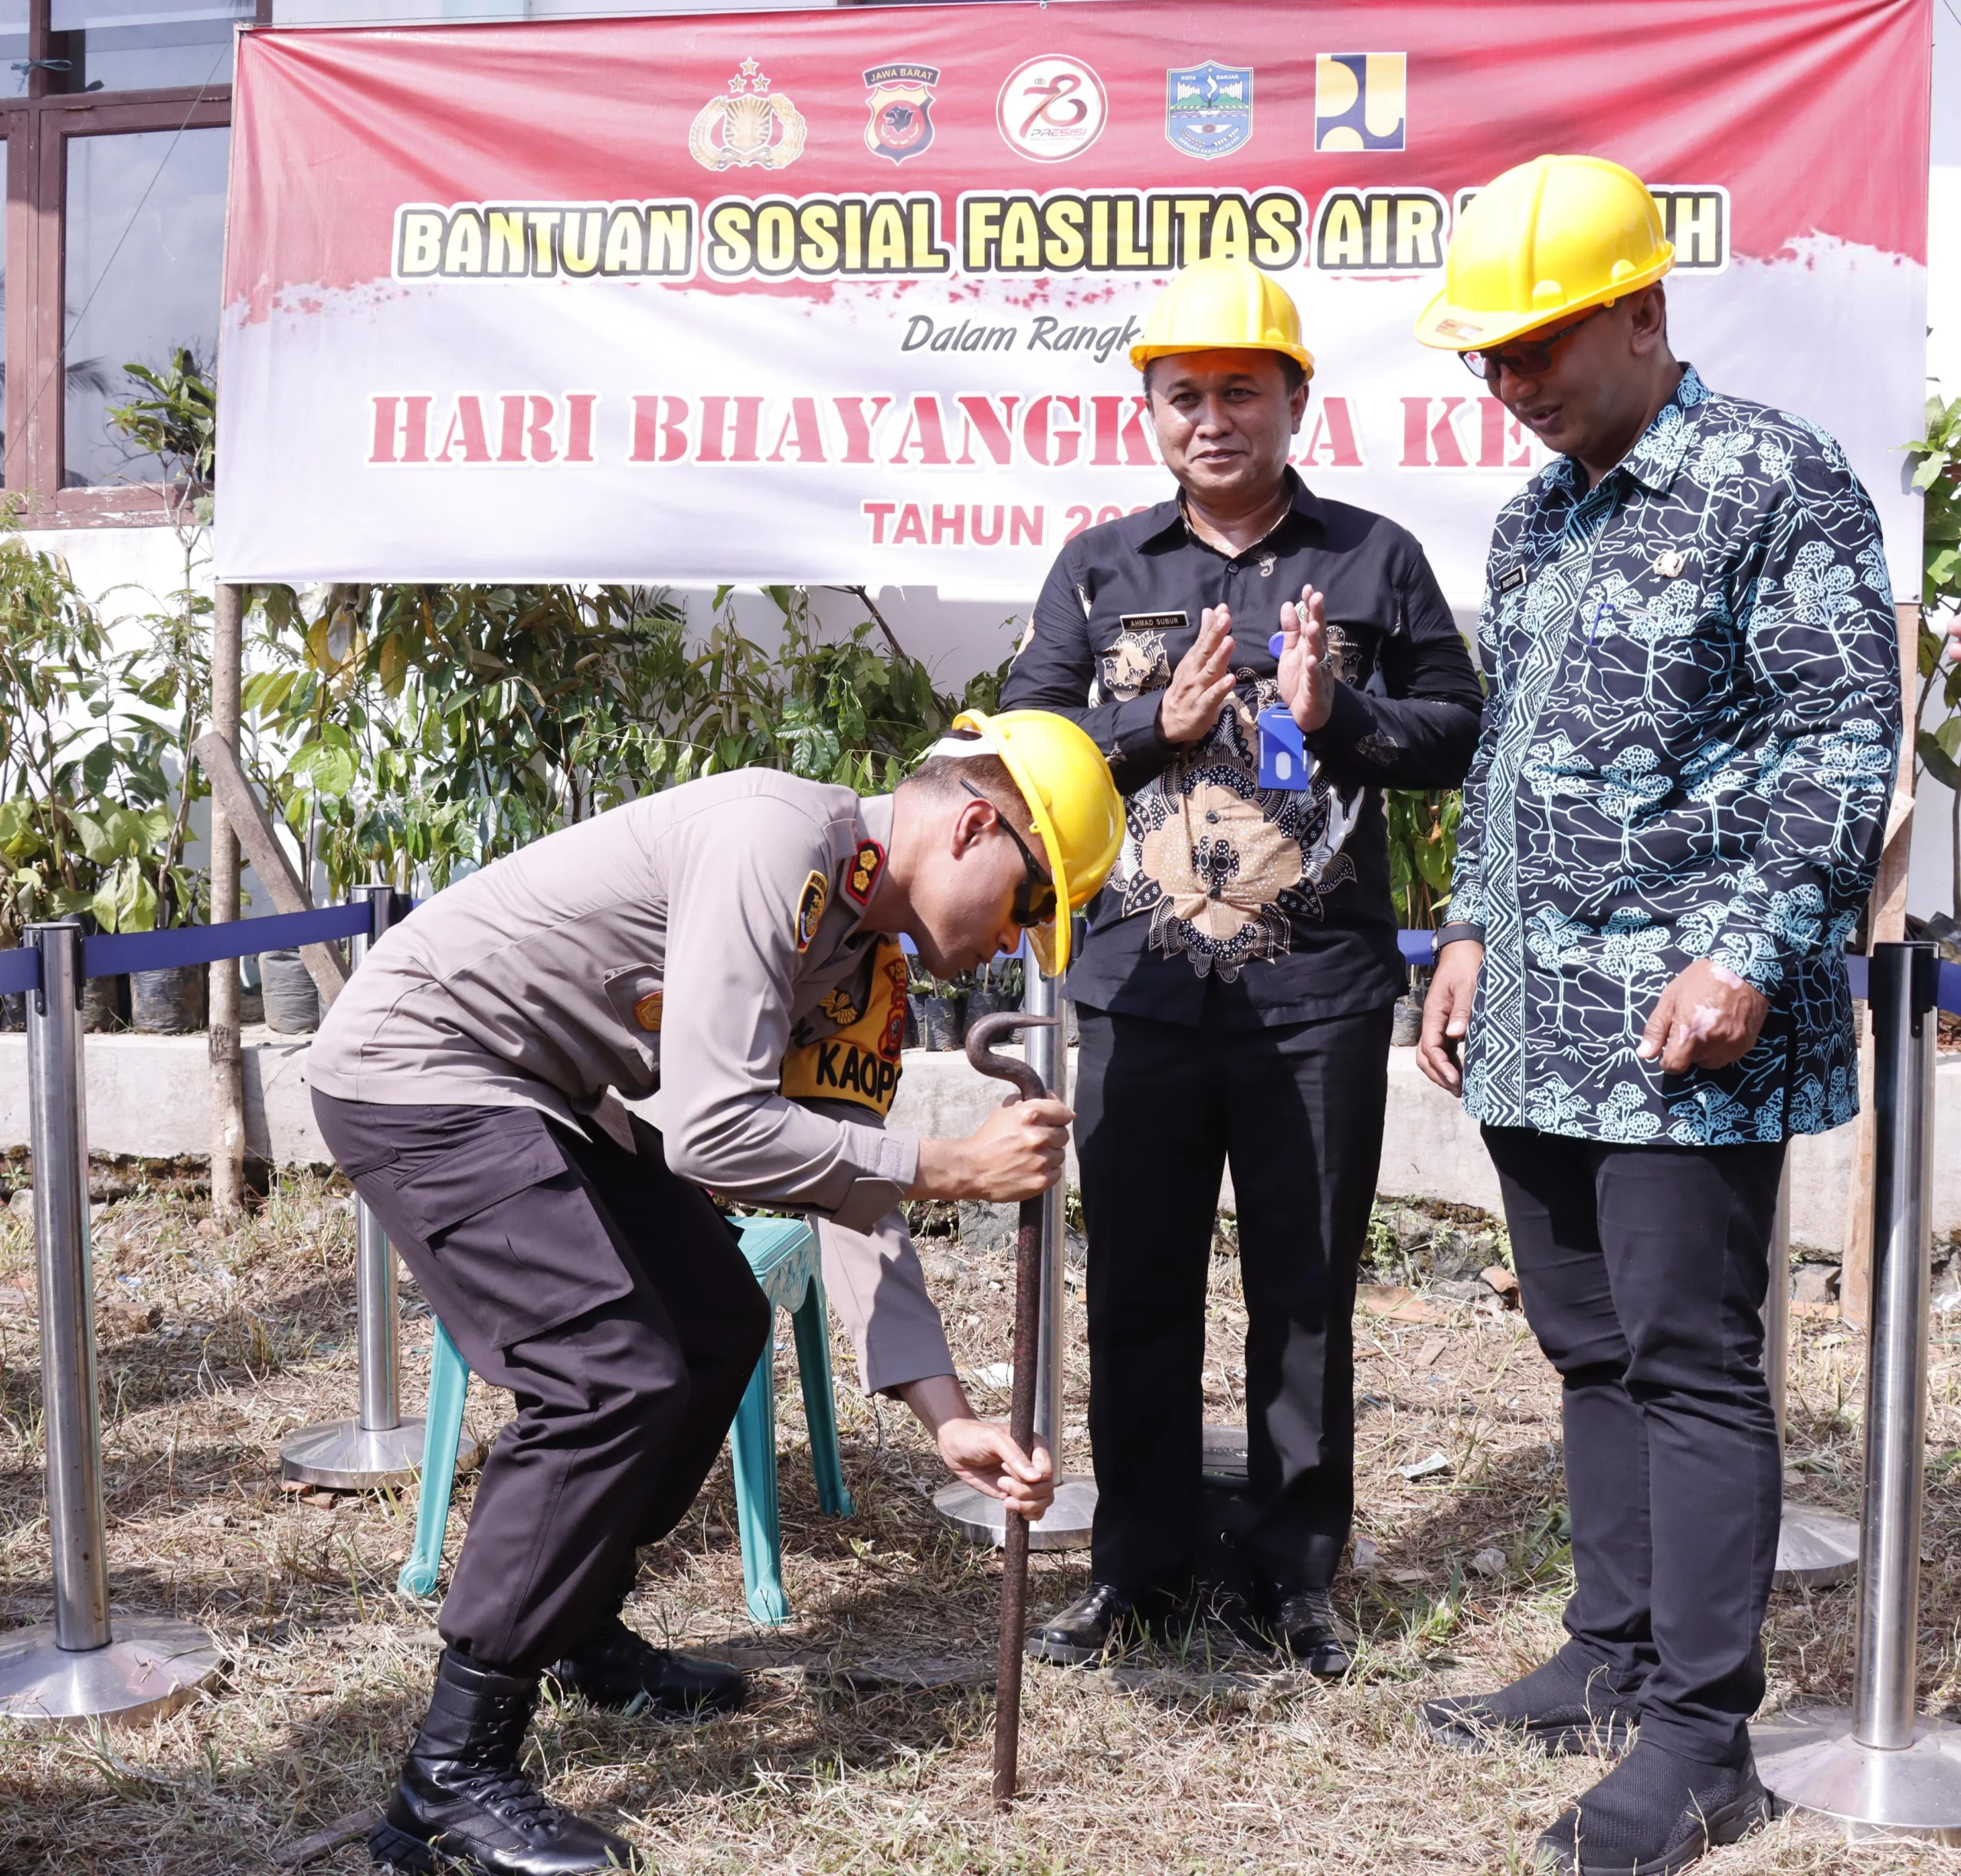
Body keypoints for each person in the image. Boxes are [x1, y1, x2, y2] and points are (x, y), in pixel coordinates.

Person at [307, 709, 1122, 1876]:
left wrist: (949, 1416)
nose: (1017, 941)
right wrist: (950, 1163)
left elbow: (850, 1187)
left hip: (541, 1091)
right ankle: (449, 1779)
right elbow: (713, 1133)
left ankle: (578, 1623)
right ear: (978, 823)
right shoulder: (774, 840)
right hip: (424, 1071)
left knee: (716, 1321)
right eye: (1030, 903)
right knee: (609, 1378)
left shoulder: (865, 964)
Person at [1411, 155, 1900, 1874]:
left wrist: (1751, 953)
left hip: (1684, 1016)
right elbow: (1505, 747)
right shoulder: (1533, 514)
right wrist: (1466, 923)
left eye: (1536, 347)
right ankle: (1608, 1649)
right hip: (1537, 1009)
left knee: (1689, 1363)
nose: (1509, 385)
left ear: (1640, 311)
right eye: (1484, 359)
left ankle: (1700, 1736)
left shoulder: (1775, 479)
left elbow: (1844, 740)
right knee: (1582, 1339)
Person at [999, 256, 1483, 1675]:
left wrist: (1338, 715)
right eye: (1183, 396)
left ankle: (1293, 1577)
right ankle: (1136, 1569)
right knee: (1137, 1285)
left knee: (1307, 1289)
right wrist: (1151, 721)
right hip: (1139, 995)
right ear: (1149, 412)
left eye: (1241, 393)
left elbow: (1459, 729)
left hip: (1316, 1002)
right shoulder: (1100, 568)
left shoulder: (1375, 556)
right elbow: (1024, 753)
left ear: (1295, 401)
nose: (1212, 419)